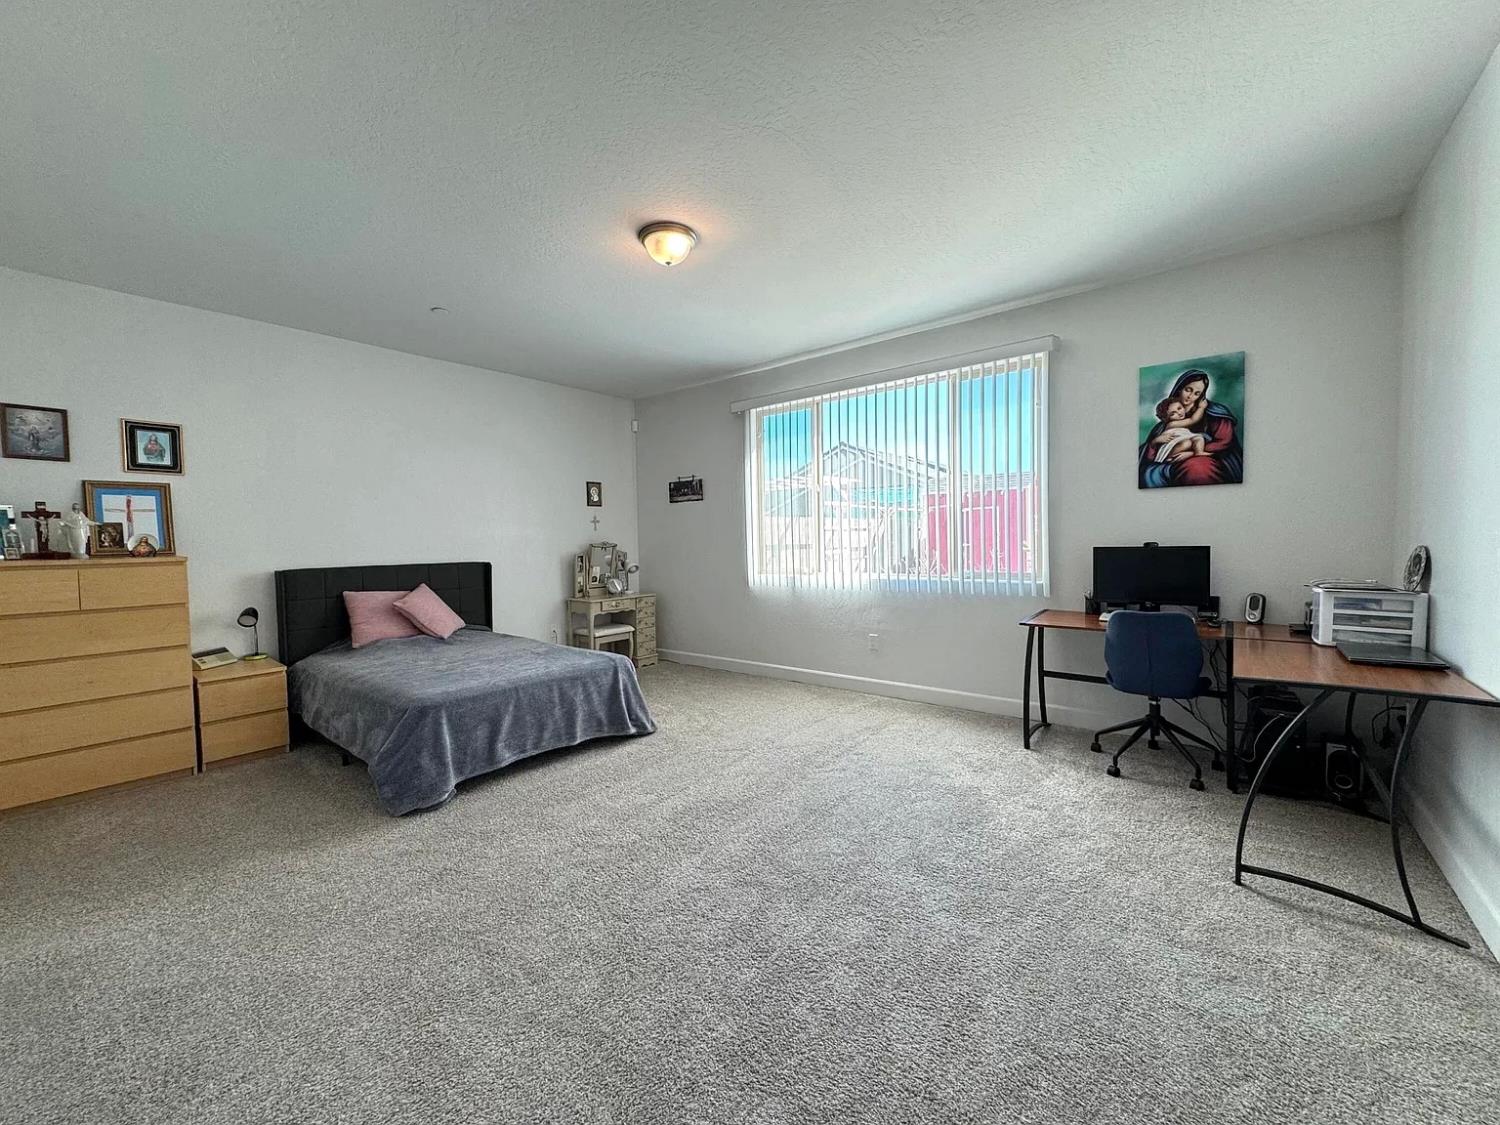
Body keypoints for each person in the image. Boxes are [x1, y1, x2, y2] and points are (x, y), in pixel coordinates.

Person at [1138, 368, 1243, 487]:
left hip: (1206, 457)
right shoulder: (1169, 422)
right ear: (1179, 389)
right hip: (1171, 459)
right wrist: (1154, 443)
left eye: (1197, 393)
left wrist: (1191, 453)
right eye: (1188, 390)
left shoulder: (1216, 414)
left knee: (1199, 469)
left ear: (1202, 395)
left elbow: (1224, 441)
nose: (1190, 396)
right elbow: (1151, 452)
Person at [1147, 398, 1208, 463]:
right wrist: (1201, 408)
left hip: (1184, 440)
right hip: (1173, 445)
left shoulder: (1181, 421)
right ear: (1167, 418)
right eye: (1173, 414)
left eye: (1179, 408)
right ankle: (1169, 457)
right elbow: (1192, 420)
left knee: (1199, 438)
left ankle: (1199, 452)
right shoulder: (1172, 424)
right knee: (1187, 443)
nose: (1179, 413)